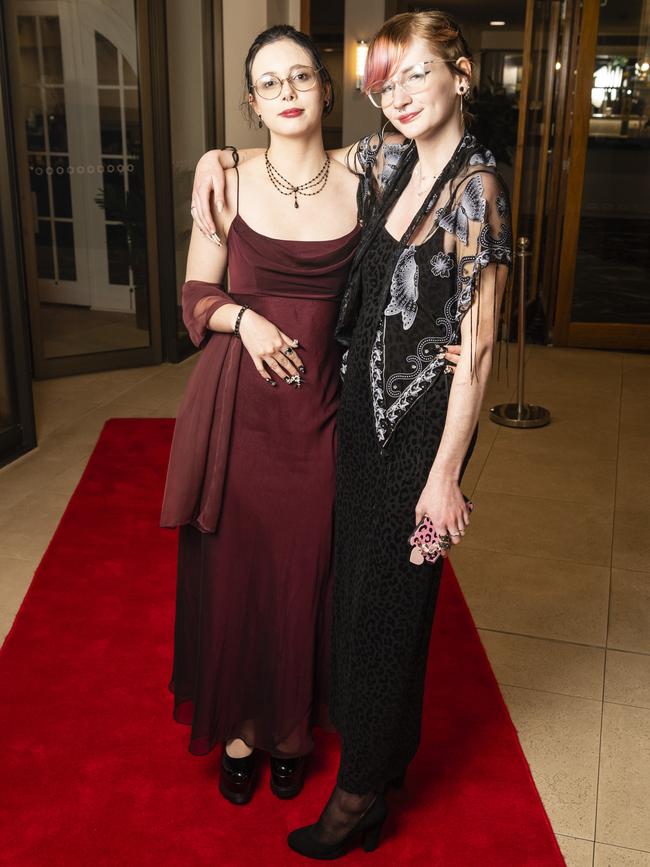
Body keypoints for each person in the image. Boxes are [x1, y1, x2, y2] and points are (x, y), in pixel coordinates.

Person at [191, 13, 496, 856]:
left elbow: (479, 345)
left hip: (397, 428)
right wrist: (213, 159)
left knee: (369, 596)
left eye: (415, 75)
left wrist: (446, 473)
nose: (397, 95)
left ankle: (345, 776)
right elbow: (276, 176)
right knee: (334, 588)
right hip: (333, 415)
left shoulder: (445, 182)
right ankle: (360, 758)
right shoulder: (391, 162)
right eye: (386, 81)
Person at [160, 24, 364, 806]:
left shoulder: (364, 178)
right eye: (270, 83)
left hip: (325, 413)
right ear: (251, 102)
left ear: (325, 89)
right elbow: (194, 297)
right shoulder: (225, 179)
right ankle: (242, 729)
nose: (286, 93)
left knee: (306, 569)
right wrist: (242, 320)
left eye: (301, 78)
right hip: (240, 413)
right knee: (239, 573)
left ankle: (291, 726)